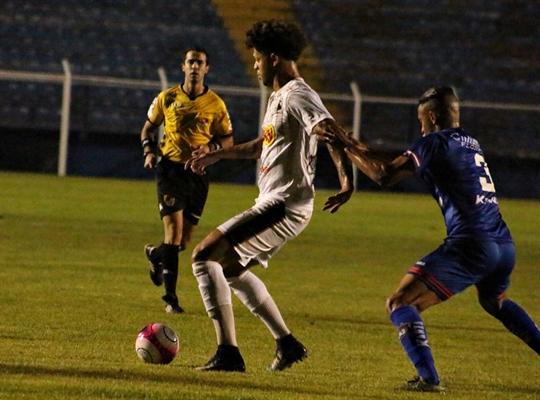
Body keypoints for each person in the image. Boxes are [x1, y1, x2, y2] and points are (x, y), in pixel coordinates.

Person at [325, 86, 540, 391]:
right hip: (503, 245)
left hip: (471, 245)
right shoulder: (469, 142)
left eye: (422, 120)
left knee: (400, 302)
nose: (421, 126)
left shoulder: (433, 141)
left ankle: (428, 378)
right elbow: (403, 160)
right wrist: (355, 145)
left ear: (433, 116)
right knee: (496, 301)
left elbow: (385, 175)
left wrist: (344, 148)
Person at [184, 19, 354, 372]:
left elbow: (328, 130)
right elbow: (263, 146)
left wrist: (346, 181)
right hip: (275, 202)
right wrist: (218, 154)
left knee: (203, 257)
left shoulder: (298, 94)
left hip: (285, 204)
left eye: (258, 58)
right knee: (229, 267)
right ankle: (287, 344)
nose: (256, 64)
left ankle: (228, 353)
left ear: (274, 58)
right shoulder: (278, 97)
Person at [140, 46, 234, 314]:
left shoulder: (216, 104)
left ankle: (157, 256)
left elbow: (228, 140)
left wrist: (210, 148)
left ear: (206, 69)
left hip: (198, 174)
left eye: (200, 63)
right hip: (170, 170)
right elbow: (148, 127)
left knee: (181, 242)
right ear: (183, 67)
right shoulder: (167, 98)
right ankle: (171, 299)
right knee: (172, 232)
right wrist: (148, 151)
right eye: (191, 62)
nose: (195, 66)